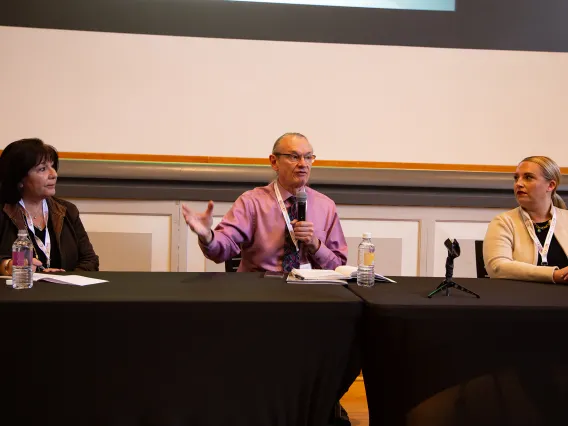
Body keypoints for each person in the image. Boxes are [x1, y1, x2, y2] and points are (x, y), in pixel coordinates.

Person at [182, 132, 348, 272]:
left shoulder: (326, 206)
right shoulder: (252, 202)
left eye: (308, 157)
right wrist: (207, 236)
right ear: (274, 162)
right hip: (261, 295)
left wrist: (315, 244)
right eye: (294, 157)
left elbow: (339, 267)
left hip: (311, 296)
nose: (303, 164)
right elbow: (221, 250)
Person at [0, 138, 99, 275]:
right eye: (42, 169)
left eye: (52, 166)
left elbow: (90, 261)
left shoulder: (67, 211)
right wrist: (7, 266)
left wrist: (65, 278)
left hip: (63, 293)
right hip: (18, 292)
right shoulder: (3, 212)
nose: (53, 174)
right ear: (19, 178)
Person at [483, 155, 568, 283]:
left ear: (550, 185)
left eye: (528, 177)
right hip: (521, 300)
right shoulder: (503, 222)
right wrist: (554, 275)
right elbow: (497, 267)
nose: (519, 183)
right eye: (516, 178)